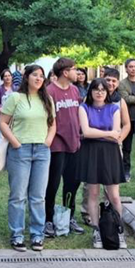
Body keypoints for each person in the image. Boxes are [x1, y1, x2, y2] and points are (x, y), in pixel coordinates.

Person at [0, 64, 55, 252]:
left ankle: (37, 235)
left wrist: (47, 141)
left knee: (38, 196)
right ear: (27, 77)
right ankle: (17, 235)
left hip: (42, 151)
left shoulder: (47, 99)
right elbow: (3, 123)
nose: (39, 79)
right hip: (20, 150)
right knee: (18, 196)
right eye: (35, 75)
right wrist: (15, 143)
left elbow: (53, 125)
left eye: (41, 76)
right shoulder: (16, 97)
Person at [75, 78, 126, 249]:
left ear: (107, 92)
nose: (100, 92)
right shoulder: (84, 107)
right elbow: (86, 132)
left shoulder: (114, 108)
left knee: (114, 195)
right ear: (90, 92)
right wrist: (108, 133)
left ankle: (119, 230)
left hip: (110, 153)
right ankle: (96, 230)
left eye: (103, 90)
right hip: (91, 152)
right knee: (93, 193)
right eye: (96, 89)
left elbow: (116, 133)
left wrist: (110, 133)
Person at [44, 58, 84, 238]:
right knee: (52, 184)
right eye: (74, 69)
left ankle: (69, 216)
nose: (78, 73)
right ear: (65, 72)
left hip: (74, 144)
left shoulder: (75, 90)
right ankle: (48, 219)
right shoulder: (49, 91)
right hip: (57, 145)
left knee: (72, 183)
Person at [0, 69, 15, 144]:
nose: (7, 78)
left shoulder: (16, 89)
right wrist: (6, 114)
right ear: (2, 78)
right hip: (0, 117)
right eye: (5, 76)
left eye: (9, 76)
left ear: (12, 77)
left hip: (13, 118)